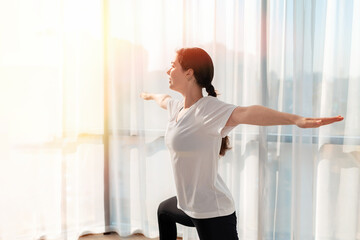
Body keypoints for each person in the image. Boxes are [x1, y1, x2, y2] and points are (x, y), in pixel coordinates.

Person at [140, 47, 343, 240]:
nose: (168, 70)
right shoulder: (176, 109)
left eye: (173, 65)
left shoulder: (207, 109)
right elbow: (163, 99)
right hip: (188, 205)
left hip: (213, 212)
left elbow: (246, 113)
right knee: (164, 211)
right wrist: (149, 96)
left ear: (189, 73)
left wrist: (296, 120)